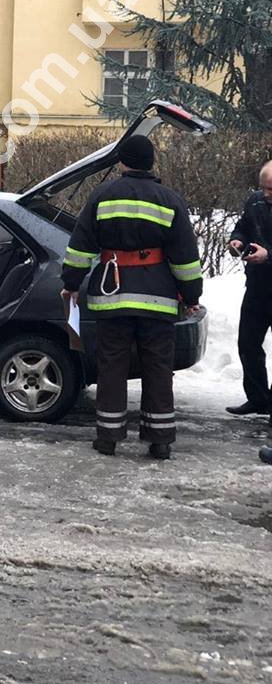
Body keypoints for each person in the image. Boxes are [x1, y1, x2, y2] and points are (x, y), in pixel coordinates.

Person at [61, 135, 203, 460]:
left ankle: (108, 437)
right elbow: (185, 257)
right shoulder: (170, 199)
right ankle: (160, 440)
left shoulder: (102, 196)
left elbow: (80, 248)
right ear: (151, 163)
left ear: (122, 163)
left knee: (112, 366)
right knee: (158, 367)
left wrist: (71, 283)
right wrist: (192, 294)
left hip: (113, 295)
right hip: (158, 298)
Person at [226, 161, 272, 424]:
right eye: (263, 188)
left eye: (271, 190)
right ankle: (258, 398)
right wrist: (237, 240)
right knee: (248, 343)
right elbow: (242, 225)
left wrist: (269, 256)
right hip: (256, 286)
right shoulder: (255, 202)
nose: (266, 194)